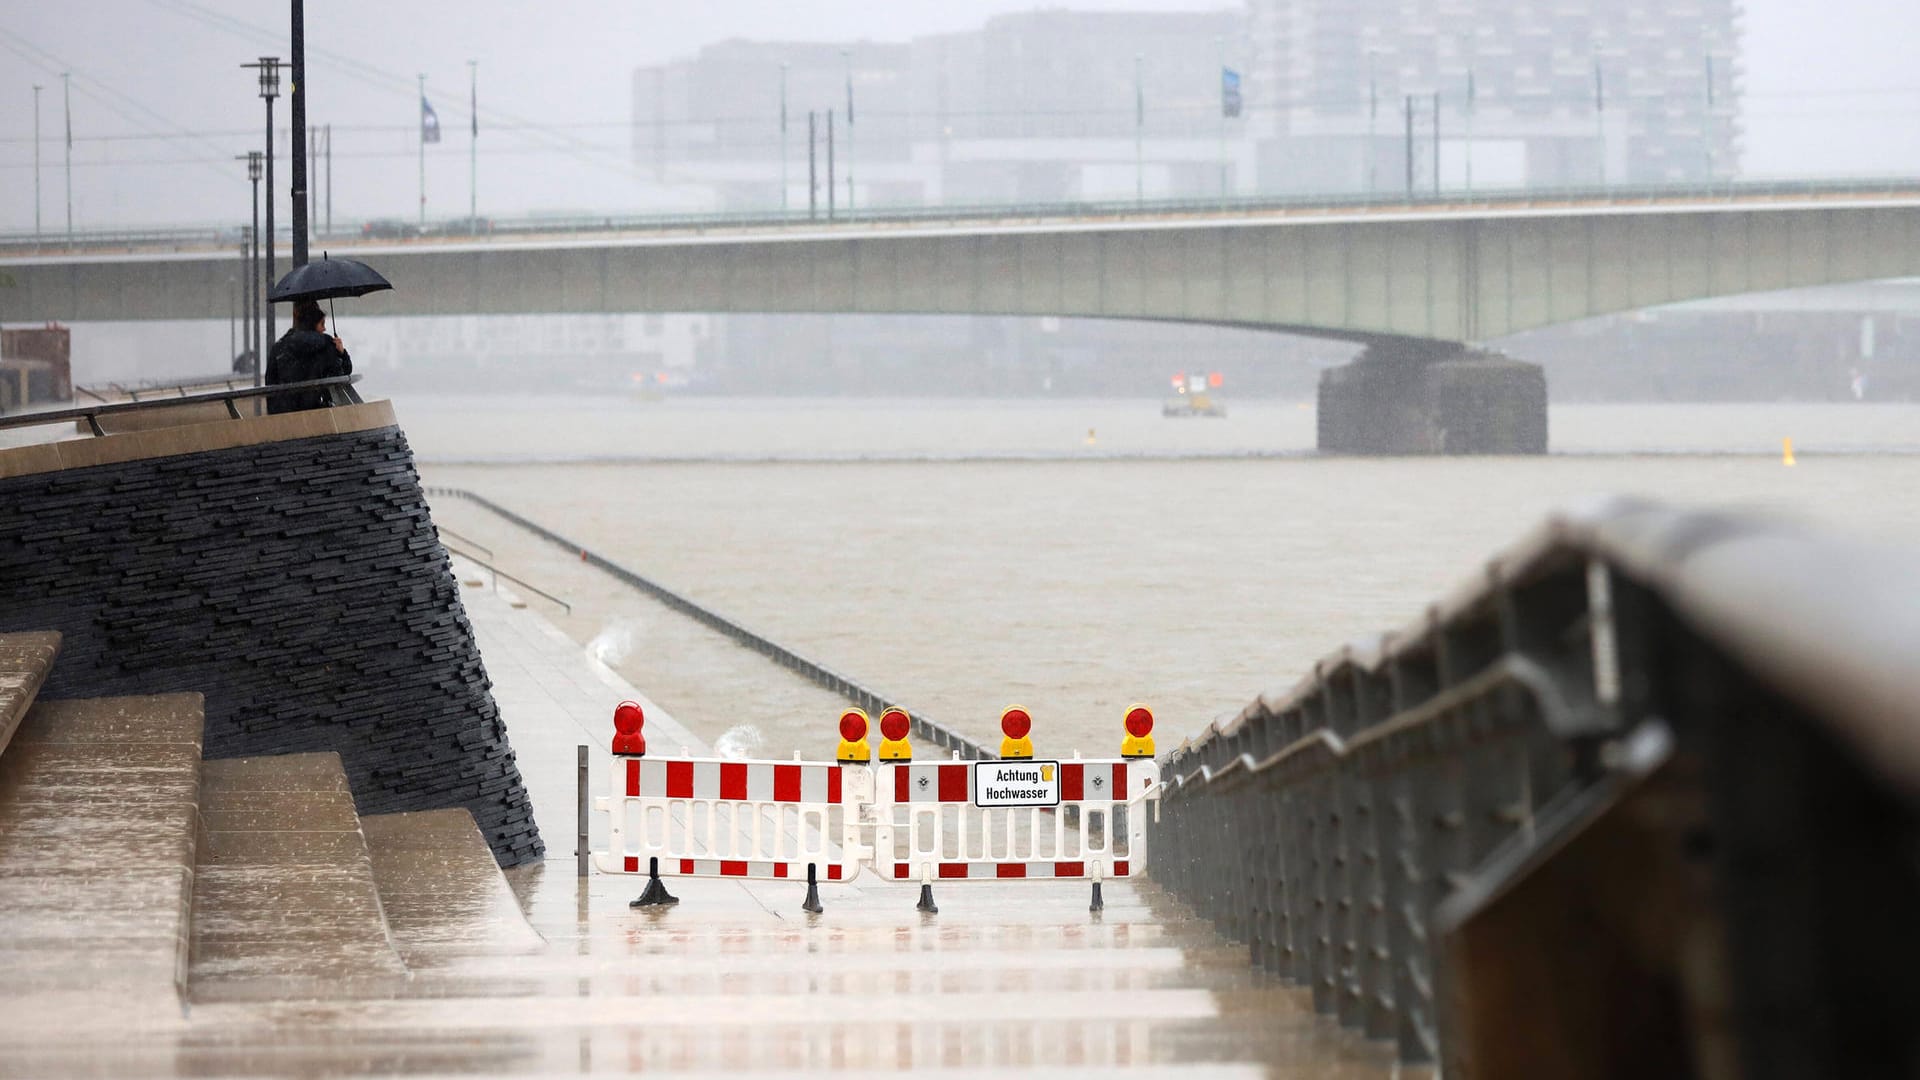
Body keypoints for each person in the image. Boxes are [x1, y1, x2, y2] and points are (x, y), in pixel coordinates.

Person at [265, 299, 351, 414]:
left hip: (284, 416)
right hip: (316, 414)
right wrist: (342, 353)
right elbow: (341, 374)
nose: (324, 328)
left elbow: (270, 381)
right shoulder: (325, 343)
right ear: (312, 323)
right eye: (322, 324)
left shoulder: (279, 347)